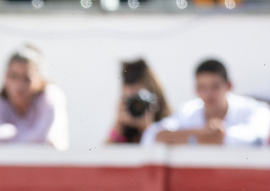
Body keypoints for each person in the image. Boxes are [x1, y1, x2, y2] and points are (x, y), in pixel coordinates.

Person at [142, 59, 270, 146]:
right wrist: (201, 134)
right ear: (196, 90)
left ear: (229, 86)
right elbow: (150, 136)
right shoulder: (187, 111)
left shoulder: (254, 109)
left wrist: (193, 137)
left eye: (215, 86)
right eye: (202, 87)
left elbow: (256, 139)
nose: (208, 94)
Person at [0, 46, 69, 150]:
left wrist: (11, 136)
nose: (19, 86)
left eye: (27, 79)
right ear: (5, 77)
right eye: (13, 76)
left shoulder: (51, 96)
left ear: (40, 80)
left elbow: (42, 138)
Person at [107, 59, 171, 144]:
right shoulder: (124, 129)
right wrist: (118, 126)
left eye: (139, 99)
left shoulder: (170, 124)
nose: (135, 105)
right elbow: (104, 151)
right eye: (129, 99)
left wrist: (147, 130)